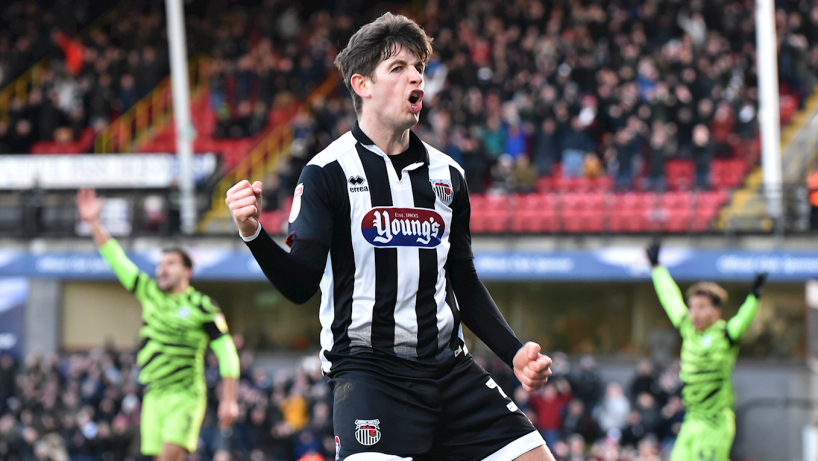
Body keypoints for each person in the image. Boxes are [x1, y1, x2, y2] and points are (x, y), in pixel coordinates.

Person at [226, 13, 555, 461]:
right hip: (368, 373)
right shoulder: (327, 173)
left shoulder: (449, 175)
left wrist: (514, 352)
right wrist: (253, 234)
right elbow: (301, 283)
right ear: (362, 85)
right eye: (397, 68)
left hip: (447, 368)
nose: (415, 76)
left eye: (418, 66)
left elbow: (463, 279)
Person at [75, 188, 240, 461]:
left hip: (185, 396)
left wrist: (229, 398)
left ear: (187, 271)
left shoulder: (203, 307)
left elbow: (227, 354)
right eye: (160, 264)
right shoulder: (148, 291)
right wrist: (93, 222)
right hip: (153, 396)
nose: (162, 269)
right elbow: (116, 259)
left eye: (171, 264)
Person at [645, 239, 766, 461]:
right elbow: (670, 298)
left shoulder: (725, 336)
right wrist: (657, 268)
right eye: (692, 307)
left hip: (716, 424)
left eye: (701, 307)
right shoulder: (688, 330)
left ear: (716, 312)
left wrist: (754, 297)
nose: (694, 313)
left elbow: (743, 320)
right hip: (692, 420)